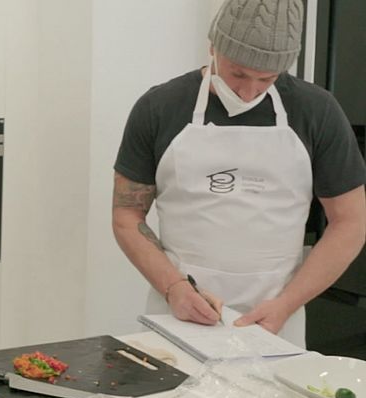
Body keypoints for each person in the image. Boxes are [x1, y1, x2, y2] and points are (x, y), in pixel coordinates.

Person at [112, 0, 366, 347]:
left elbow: (351, 221)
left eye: (267, 79)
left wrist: (286, 305)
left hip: (277, 318)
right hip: (177, 311)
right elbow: (127, 214)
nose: (248, 91)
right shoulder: (160, 108)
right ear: (213, 46)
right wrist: (174, 289)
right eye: (239, 74)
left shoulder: (316, 112)